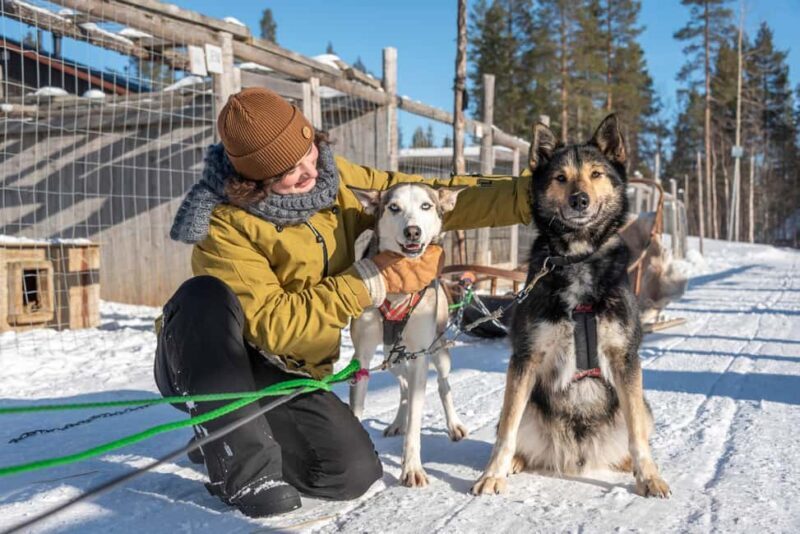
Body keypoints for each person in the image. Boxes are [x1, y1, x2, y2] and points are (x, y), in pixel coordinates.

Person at [154, 87, 532, 517]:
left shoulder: (334, 180)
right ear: (254, 180)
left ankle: (230, 431)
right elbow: (275, 325)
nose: (307, 171)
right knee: (203, 295)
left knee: (350, 473)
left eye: (308, 152)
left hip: (291, 369)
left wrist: (532, 195)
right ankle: (241, 465)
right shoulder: (225, 224)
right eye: (287, 170)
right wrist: (370, 280)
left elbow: (424, 194)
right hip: (212, 357)